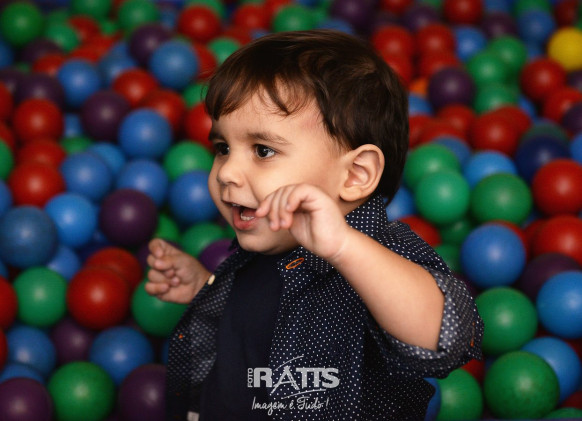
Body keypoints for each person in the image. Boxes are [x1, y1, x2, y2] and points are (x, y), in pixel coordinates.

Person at [146, 29, 483, 421]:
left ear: (355, 175)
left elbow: (448, 338)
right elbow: (258, 319)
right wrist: (206, 287)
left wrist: (344, 247)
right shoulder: (267, 244)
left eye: (263, 150)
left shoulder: (379, 256)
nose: (226, 173)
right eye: (222, 148)